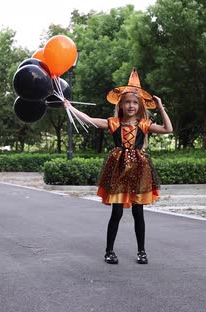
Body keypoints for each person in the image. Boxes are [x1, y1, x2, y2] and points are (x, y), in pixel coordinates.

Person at [64, 68, 173, 264]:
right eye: (127, 102)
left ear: (139, 105)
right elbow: (89, 120)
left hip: (140, 171)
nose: (131, 105)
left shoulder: (144, 124)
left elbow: (168, 129)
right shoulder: (114, 123)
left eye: (134, 102)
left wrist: (161, 107)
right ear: (121, 104)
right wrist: (70, 107)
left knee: (138, 212)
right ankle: (109, 251)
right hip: (118, 171)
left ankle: (141, 251)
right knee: (117, 212)